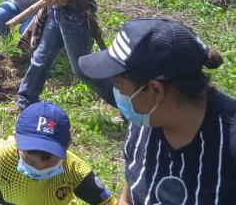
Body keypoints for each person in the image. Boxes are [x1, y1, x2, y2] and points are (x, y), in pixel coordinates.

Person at [78, 19, 236, 204]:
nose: (118, 95)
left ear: (155, 90)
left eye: (120, 88)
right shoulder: (143, 123)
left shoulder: (229, 141)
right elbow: (128, 198)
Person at [0, 102, 117, 205]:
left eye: (50, 163)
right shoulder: (4, 153)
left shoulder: (75, 171)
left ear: (68, 146)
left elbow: (107, 202)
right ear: (16, 139)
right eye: (30, 161)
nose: (39, 169)